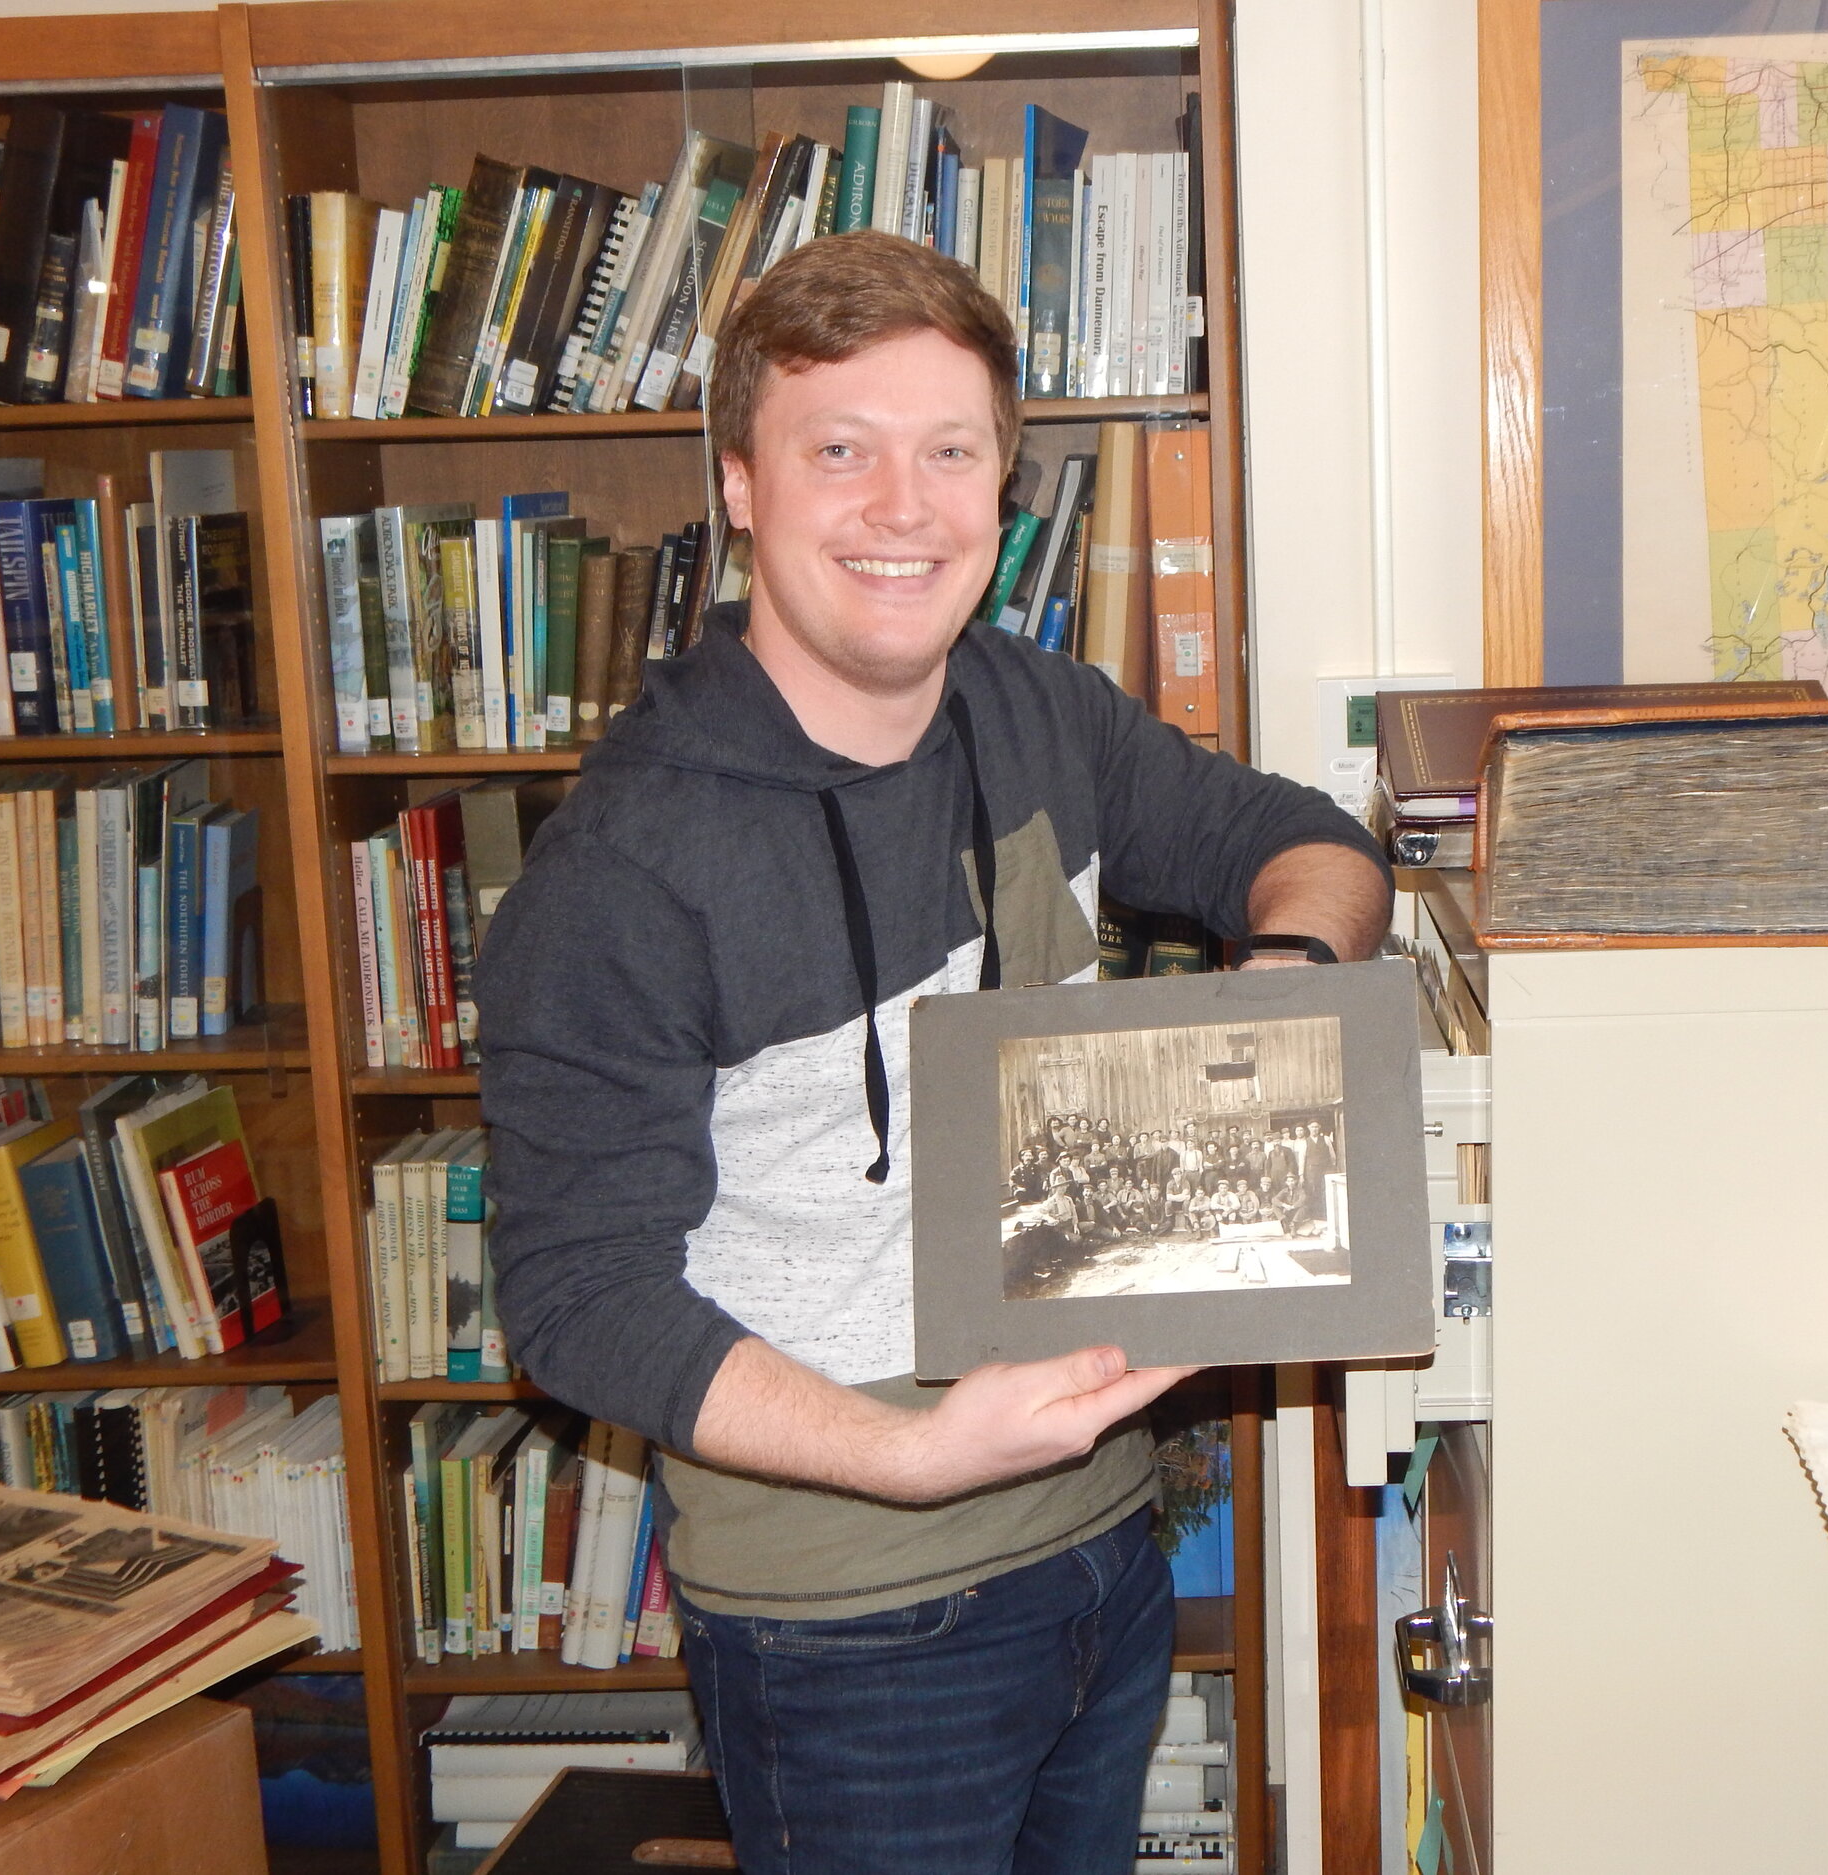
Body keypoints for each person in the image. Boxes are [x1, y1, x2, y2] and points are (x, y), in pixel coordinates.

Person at [475, 230, 1390, 1875]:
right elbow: (573, 1299)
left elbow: (1306, 839)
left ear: (1000, 486)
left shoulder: (1039, 709)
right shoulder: (623, 871)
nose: (904, 508)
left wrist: (1281, 980)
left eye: (950, 452)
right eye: (841, 450)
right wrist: (911, 1458)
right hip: (850, 1622)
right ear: (743, 484)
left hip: (1101, 1546)